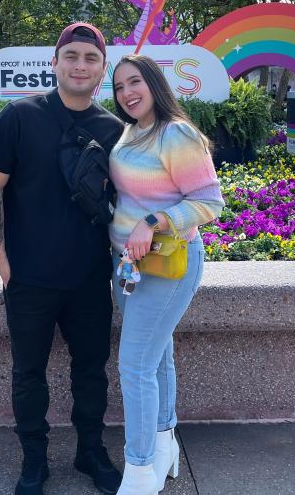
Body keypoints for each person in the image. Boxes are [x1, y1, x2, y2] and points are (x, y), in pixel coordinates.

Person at [0, 23, 125, 495]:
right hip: (30, 277)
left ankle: (90, 451)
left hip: (89, 277)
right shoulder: (19, 116)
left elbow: (128, 201)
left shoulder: (114, 129)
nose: (80, 65)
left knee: (91, 370)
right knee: (28, 373)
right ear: (55, 63)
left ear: (103, 69)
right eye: (72, 56)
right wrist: (1, 260)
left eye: (90, 58)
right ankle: (33, 461)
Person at [108, 54, 223, 494]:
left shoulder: (176, 133)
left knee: (135, 365)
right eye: (119, 87)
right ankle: (163, 445)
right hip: (130, 264)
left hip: (170, 262)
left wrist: (153, 221)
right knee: (157, 360)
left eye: (135, 82)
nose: (127, 93)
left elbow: (210, 203)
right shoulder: (131, 132)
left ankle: (139, 470)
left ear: (154, 82)